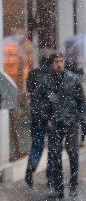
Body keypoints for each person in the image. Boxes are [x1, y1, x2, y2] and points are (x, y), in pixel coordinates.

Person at [33, 52, 86, 198]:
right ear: (52, 63)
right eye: (56, 61)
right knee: (55, 156)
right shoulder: (46, 81)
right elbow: (38, 102)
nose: (59, 64)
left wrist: (82, 119)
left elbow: (81, 101)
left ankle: (74, 184)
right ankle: (58, 187)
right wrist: (46, 119)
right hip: (54, 123)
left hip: (71, 122)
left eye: (61, 61)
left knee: (73, 154)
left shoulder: (72, 80)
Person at [24, 54, 51, 187]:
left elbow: (29, 91)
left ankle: (31, 167)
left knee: (37, 145)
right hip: (49, 116)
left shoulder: (33, 74)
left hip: (35, 115)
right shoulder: (52, 76)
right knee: (53, 148)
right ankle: (50, 178)